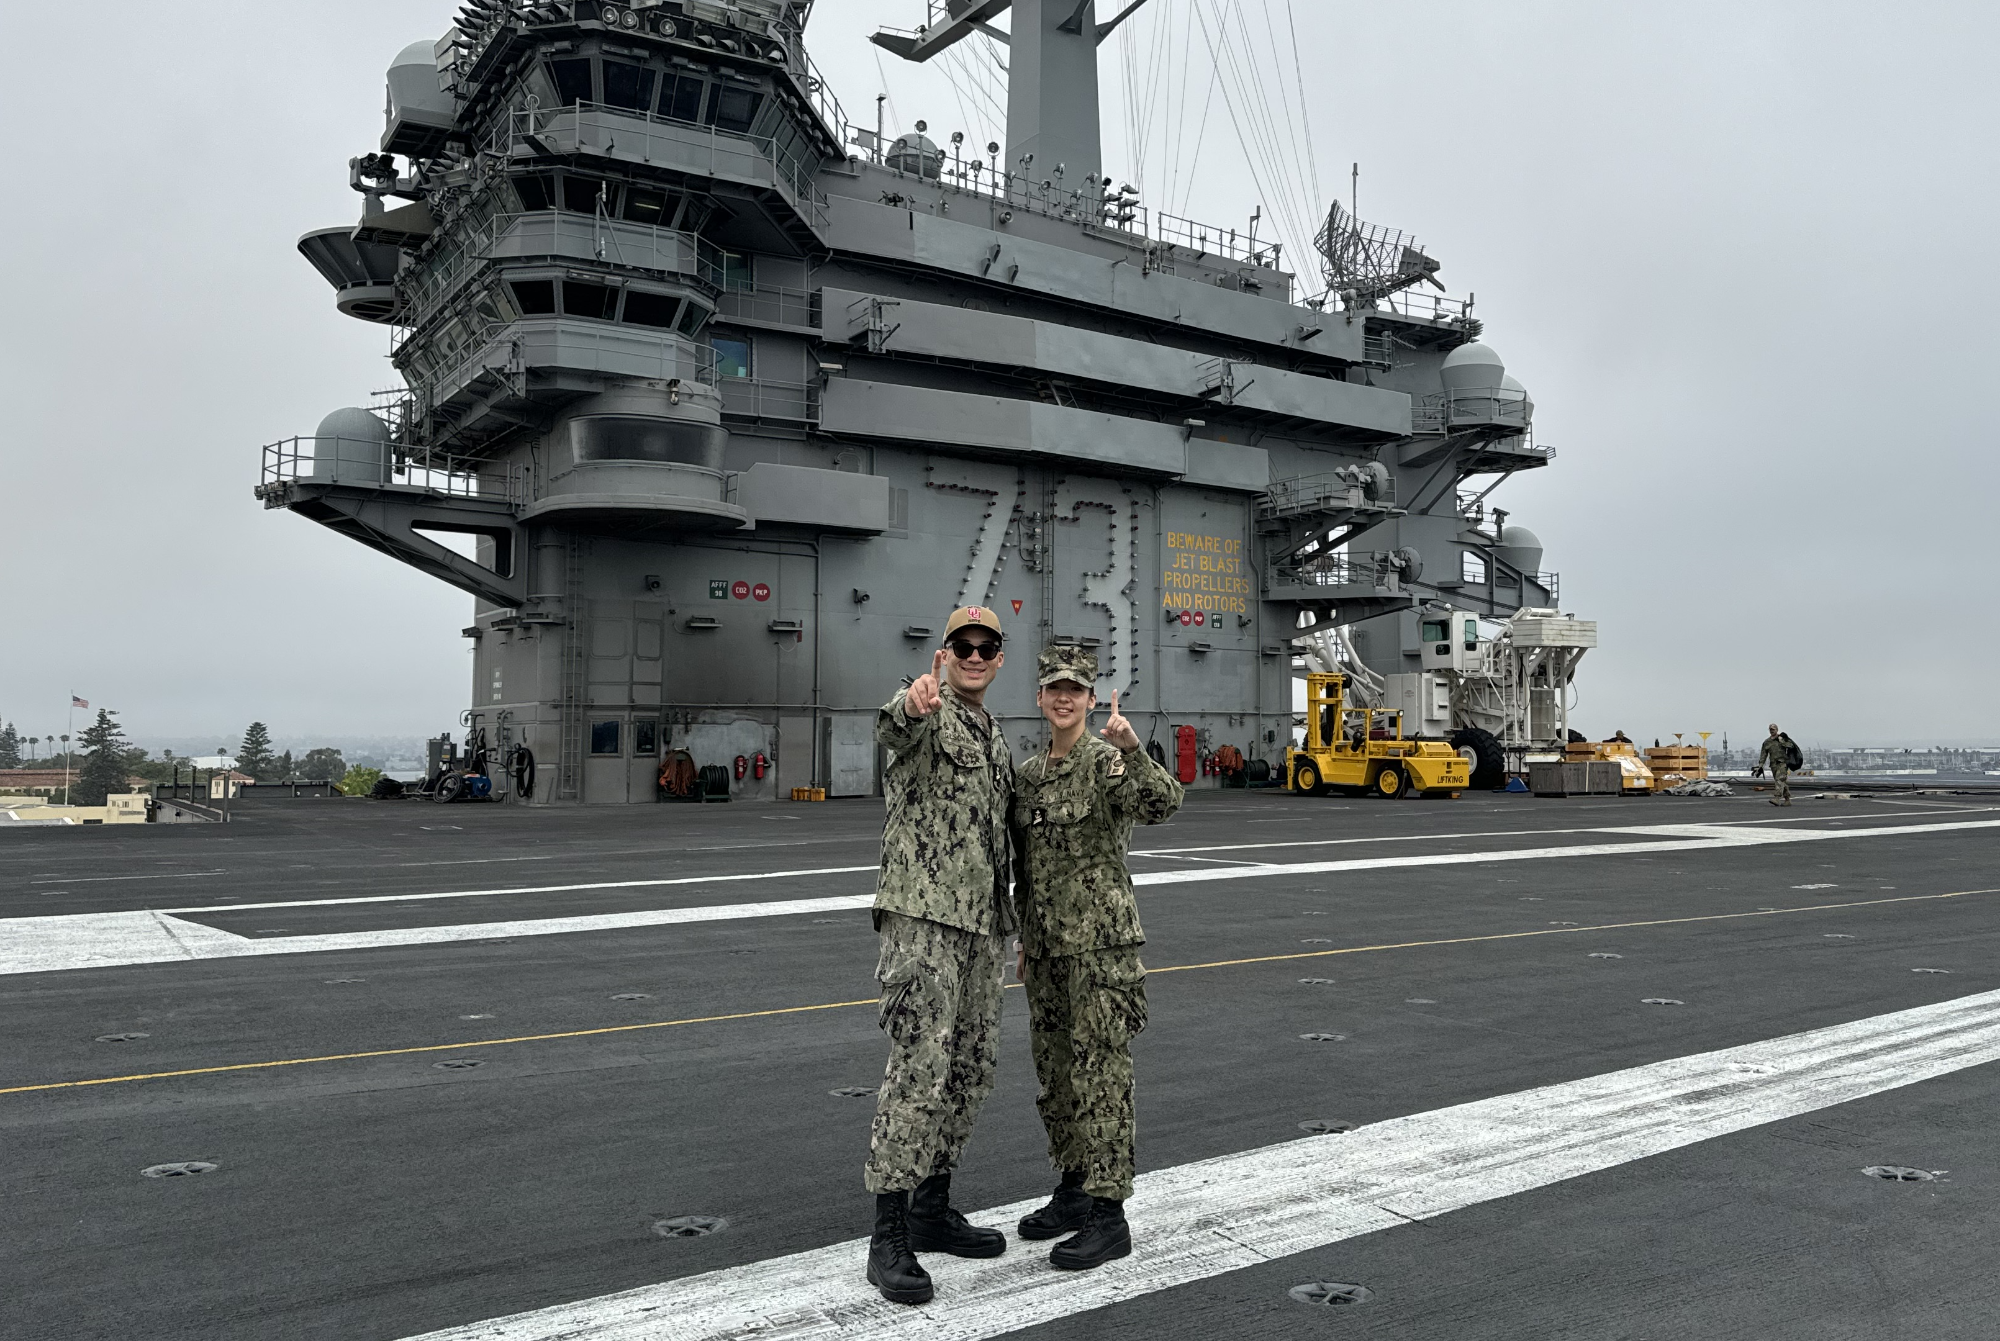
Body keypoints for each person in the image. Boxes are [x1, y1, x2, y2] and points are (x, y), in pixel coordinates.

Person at [1010, 646, 1184, 1270]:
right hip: (1050, 952)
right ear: (1040, 696)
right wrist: (1026, 936)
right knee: (1056, 1076)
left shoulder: (1107, 761)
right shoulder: (1027, 777)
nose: (1064, 698)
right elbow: (1025, 870)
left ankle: (1109, 1215)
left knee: (1101, 1075)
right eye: (1055, 687)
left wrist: (1135, 750)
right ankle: (1075, 1188)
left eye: (1076, 690)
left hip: (1102, 949)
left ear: (1089, 700)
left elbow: (1163, 805)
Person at [863, 605, 1015, 1305]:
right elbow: (895, 725)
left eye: (987, 647)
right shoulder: (929, 713)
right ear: (944, 654)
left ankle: (932, 1204)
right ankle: (888, 1232)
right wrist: (912, 700)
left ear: (999, 658)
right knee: (919, 1068)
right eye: (964, 645)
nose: (975, 654)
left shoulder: (997, 737)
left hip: (982, 928)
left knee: (970, 1067)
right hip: (924, 919)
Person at [1755, 722, 1795, 806]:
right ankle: (1787, 800)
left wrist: (1782, 742)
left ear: (1777, 730)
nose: (1771, 731)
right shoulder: (1767, 742)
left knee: (1779, 780)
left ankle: (1777, 798)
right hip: (1773, 765)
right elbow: (1763, 754)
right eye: (1770, 729)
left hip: (1782, 763)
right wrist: (1760, 765)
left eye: (1773, 729)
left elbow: (1791, 746)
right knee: (1781, 782)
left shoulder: (1782, 738)